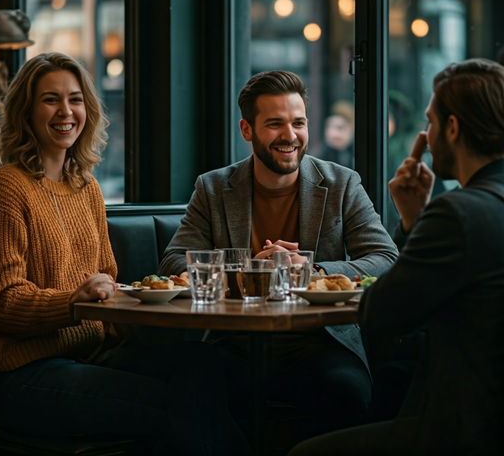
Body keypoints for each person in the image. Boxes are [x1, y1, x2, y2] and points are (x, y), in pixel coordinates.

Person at [0, 52, 249, 455]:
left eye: (75, 99)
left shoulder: (87, 187)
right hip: (24, 372)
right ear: (26, 110)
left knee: (212, 365)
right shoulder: (8, 188)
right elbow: (3, 302)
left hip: (92, 355)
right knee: (182, 405)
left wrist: (143, 302)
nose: (66, 111)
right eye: (50, 99)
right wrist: (72, 302)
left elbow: (107, 280)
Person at [159, 70, 399, 448]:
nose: (290, 136)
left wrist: (314, 270)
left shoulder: (341, 183)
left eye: (298, 123)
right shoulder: (213, 187)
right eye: (274, 124)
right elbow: (173, 262)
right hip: (233, 344)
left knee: (346, 391)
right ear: (247, 129)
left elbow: (386, 258)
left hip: (320, 344)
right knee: (190, 375)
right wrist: (251, 271)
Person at [288, 58, 504, 455]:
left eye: (431, 122)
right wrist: (415, 218)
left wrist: (417, 223)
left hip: (465, 427)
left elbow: (381, 315)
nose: (426, 133)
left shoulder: (458, 213)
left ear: (452, 128)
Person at [320, 100, 354, 168]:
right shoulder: (320, 158)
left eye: (340, 127)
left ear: (351, 128)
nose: (333, 134)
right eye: (329, 127)